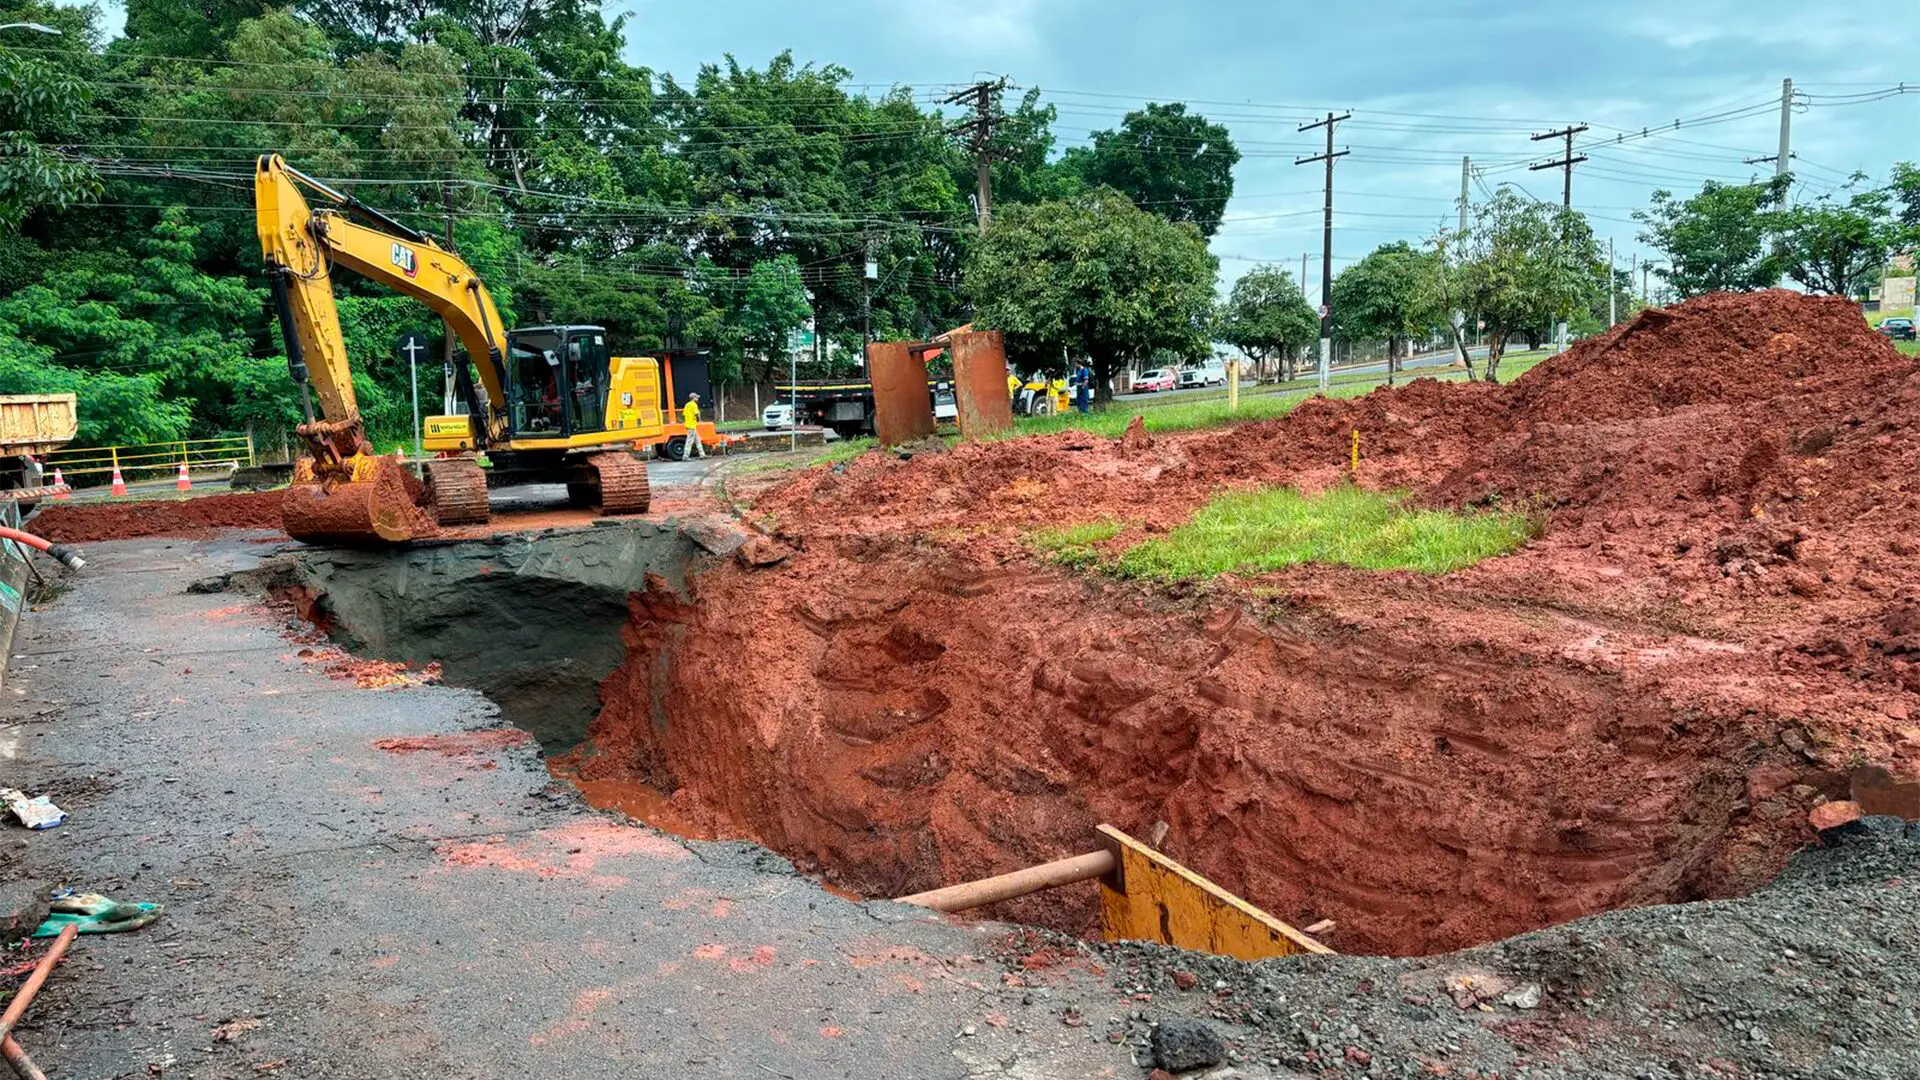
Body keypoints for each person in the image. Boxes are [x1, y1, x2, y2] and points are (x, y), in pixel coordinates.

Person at [681, 392, 706, 459]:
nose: (697, 398)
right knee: (689, 441)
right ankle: (685, 456)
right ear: (694, 398)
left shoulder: (687, 405)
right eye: (697, 397)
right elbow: (696, 414)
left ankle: (702, 454)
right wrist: (698, 421)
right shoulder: (694, 405)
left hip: (689, 425)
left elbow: (684, 415)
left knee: (698, 440)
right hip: (692, 425)